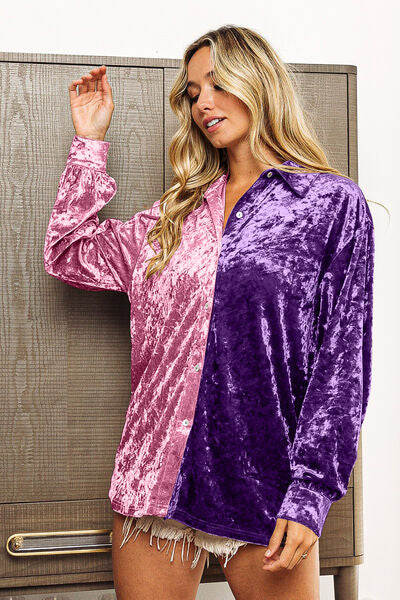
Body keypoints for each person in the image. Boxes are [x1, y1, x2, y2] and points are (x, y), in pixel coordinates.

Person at [44, 25, 375, 600]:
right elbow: (69, 253)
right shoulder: (175, 215)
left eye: (218, 84)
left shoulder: (329, 204)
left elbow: (342, 366)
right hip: (155, 478)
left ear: (259, 81)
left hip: (265, 480)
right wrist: (89, 142)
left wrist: (311, 492)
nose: (203, 103)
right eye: (194, 92)